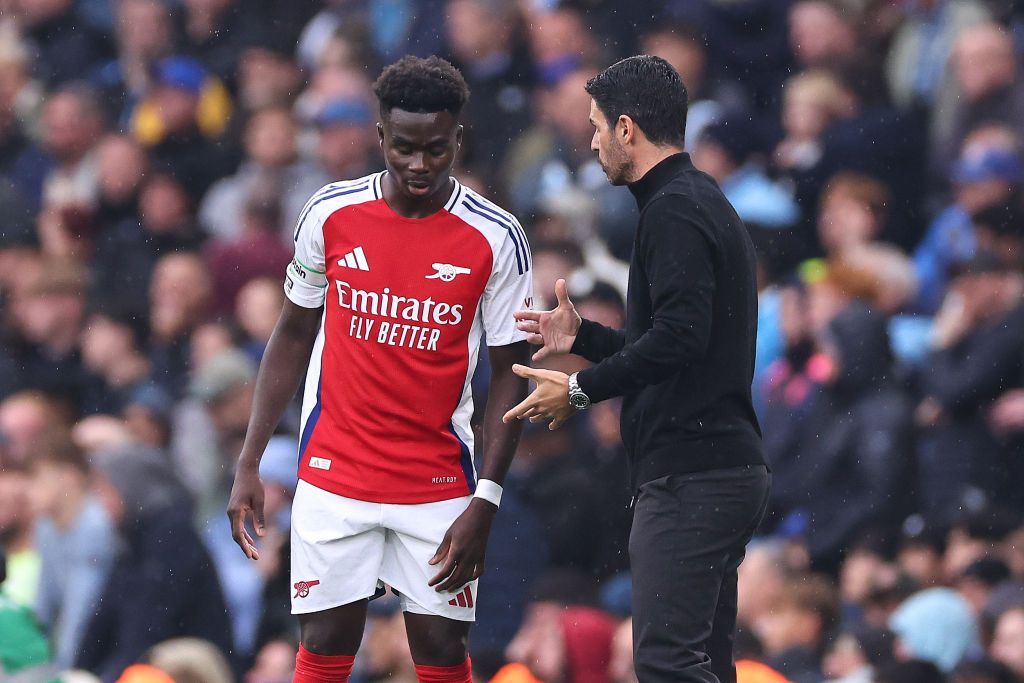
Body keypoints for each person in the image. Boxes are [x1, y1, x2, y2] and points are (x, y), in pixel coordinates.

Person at [226, 55, 532, 683]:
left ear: (458, 139)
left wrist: (488, 500)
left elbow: (510, 372)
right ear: (381, 138)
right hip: (335, 472)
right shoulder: (330, 214)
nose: (420, 165)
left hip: (437, 481)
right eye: (406, 148)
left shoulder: (496, 238)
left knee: (443, 651)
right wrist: (250, 459)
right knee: (327, 639)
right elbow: (291, 333)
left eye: (437, 149)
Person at [504, 55, 769, 683]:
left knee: (666, 664)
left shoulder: (673, 209)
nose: (590, 141)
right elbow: (678, 341)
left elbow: (679, 339)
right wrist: (585, 338)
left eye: (596, 126)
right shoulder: (693, 200)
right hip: (717, 470)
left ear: (627, 129)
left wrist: (578, 388)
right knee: (703, 664)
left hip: (695, 476)